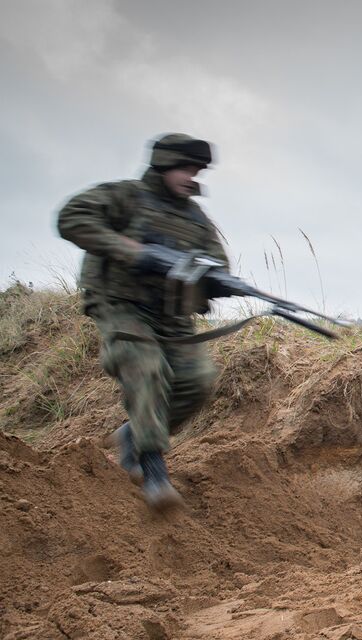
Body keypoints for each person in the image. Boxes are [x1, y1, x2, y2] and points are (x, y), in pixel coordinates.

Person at [56, 133, 227, 512]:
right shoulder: (125, 197)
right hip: (121, 306)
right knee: (147, 368)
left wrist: (218, 281)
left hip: (172, 316)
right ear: (164, 163)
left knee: (197, 382)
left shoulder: (196, 220)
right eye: (185, 167)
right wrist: (134, 253)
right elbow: (71, 217)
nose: (191, 176)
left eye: (197, 170)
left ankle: (132, 436)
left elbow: (218, 263)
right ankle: (152, 470)